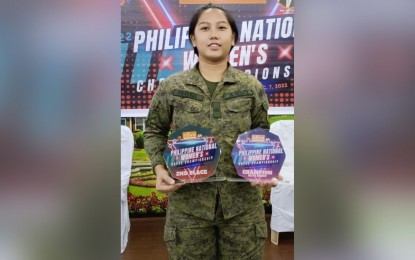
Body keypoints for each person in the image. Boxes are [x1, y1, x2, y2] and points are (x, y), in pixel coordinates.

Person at [144, 4, 280, 259]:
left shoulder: (251, 87)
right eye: (204, 28)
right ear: (194, 39)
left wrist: (263, 169)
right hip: (188, 206)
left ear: (233, 39)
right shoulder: (172, 87)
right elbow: (153, 131)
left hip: (242, 208)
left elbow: (261, 132)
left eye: (221, 28)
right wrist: (160, 169)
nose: (214, 34)